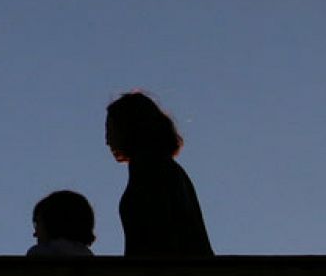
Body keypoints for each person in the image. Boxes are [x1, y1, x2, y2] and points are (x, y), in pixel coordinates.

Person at [105, 91, 214, 257]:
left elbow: (157, 233)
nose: (107, 139)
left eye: (110, 129)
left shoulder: (151, 169)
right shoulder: (166, 168)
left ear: (128, 128)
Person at [25, 190, 95, 257]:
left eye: (37, 223)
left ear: (52, 223)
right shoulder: (94, 263)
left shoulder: (37, 255)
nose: (35, 234)